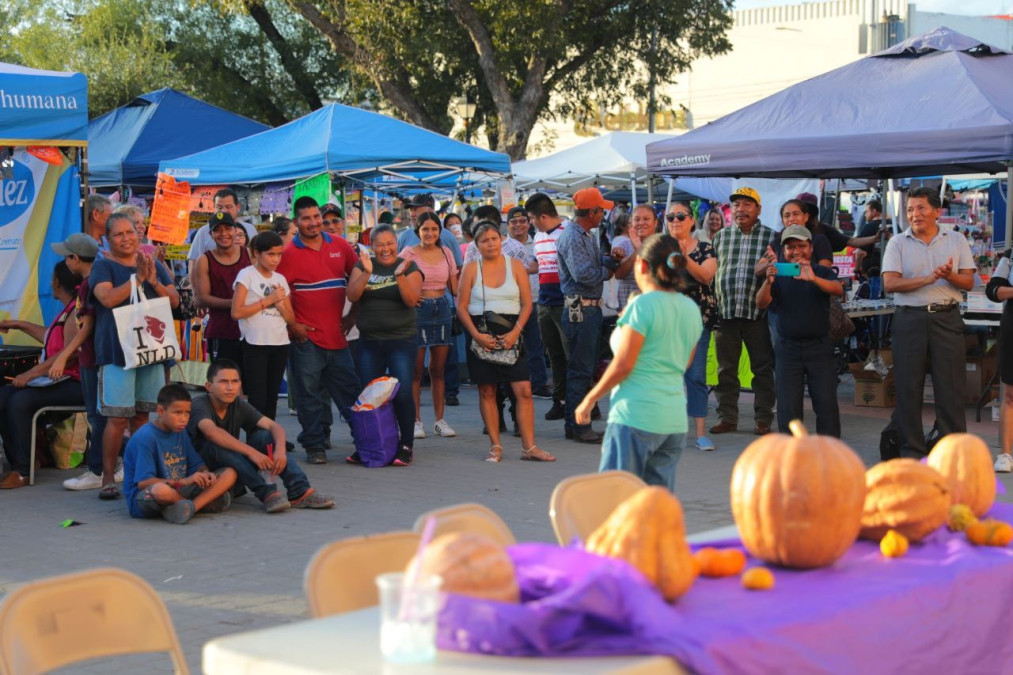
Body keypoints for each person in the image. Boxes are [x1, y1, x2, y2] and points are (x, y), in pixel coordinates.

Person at [575, 234, 701, 491]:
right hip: (674, 420)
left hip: (636, 416)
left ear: (642, 265)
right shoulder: (690, 308)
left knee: (618, 502)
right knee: (656, 508)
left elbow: (623, 365)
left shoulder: (642, 306)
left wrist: (590, 399)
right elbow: (684, 362)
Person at [91, 213, 179, 499]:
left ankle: (137, 474)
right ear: (108, 238)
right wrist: (137, 280)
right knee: (116, 418)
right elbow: (107, 298)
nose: (127, 238)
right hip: (117, 353)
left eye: (130, 232)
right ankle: (107, 477)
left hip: (150, 351)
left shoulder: (151, 261)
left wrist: (151, 281)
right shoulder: (103, 266)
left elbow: (175, 300)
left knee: (142, 416)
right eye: (119, 234)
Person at [882, 187, 974, 457]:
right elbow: (890, 283)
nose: (914, 214)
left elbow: (968, 281)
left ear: (937, 211)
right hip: (909, 319)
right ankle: (912, 450)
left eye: (921, 208)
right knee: (909, 387)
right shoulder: (897, 242)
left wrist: (949, 276)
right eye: (910, 209)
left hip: (947, 317)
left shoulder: (956, 240)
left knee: (951, 388)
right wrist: (928, 279)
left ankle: (953, 452)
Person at [457, 222, 554, 463]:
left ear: (501, 239)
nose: (490, 243)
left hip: (512, 332)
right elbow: (461, 306)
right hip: (481, 334)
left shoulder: (517, 267)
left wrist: (515, 332)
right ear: (477, 245)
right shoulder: (470, 269)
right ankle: (495, 446)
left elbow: (527, 303)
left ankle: (529, 447)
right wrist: (476, 336)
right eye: (484, 240)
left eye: (493, 238)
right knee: (487, 390)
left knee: (524, 390)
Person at [276, 196, 361, 464]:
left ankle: (364, 439)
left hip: (338, 335)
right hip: (306, 339)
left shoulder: (340, 245)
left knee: (350, 393)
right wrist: (293, 325)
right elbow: (280, 296)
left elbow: (360, 278)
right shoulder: (287, 255)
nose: (313, 223)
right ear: (296, 221)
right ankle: (314, 445)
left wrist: (352, 316)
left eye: (316, 217)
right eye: (306, 218)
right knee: (308, 395)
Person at [189, 360, 333, 512]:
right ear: (208, 386)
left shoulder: (238, 404)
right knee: (216, 445)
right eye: (224, 382)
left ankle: (300, 490)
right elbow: (212, 433)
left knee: (264, 436)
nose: (230, 387)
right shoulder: (200, 404)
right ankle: (266, 492)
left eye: (235, 381)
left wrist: (280, 450)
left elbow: (274, 426)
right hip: (206, 473)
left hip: (235, 467)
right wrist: (253, 453)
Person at [0, 262, 85, 489]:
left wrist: (31, 373)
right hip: (60, 379)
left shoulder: (75, 311)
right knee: (4, 396)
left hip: (77, 383)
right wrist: (17, 324)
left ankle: (23, 471)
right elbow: (48, 336)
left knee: (19, 401)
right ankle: (26, 459)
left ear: (57, 282)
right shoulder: (66, 311)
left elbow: (72, 355)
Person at [346, 224, 424, 466]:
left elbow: (412, 300)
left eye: (390, 243)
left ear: (396, 244)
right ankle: (372, 443)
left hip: (401, 340)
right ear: (372, 246)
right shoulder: (363, 265)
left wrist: (399, 276)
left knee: (400, 393)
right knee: (369, 395)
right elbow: (352, 295)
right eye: (380, 244)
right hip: (369, 341)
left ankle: (406, 445)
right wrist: (367, 272)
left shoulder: (409, 266)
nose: (385, 249)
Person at [756, 225, 843, 437]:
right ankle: (791, 455)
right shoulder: (779, 273)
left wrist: (813, 278)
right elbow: (761, 303)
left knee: (826, 404)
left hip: (820, 347)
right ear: (783, 251)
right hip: (788, 349)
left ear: (811, 248)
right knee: (788, 407)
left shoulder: (821, 271)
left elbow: (838, 289)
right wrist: (768, 282)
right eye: (790, 247)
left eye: (801, 246)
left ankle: (830, 454)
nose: (796, 251)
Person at [709, 187, 777, 436]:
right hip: (725, 312)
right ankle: (727, 417)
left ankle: (763, 419)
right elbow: (714, 272)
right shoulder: (721, 237)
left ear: (758, 209)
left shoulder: (771, 237)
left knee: (762, 368)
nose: (741, 209)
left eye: (747, 204)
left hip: (757, 314)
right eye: (737, 205)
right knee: (726, 369)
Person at [557, 187, 619, 444]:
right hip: (580, 307)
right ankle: (578, 425)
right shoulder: (574, 236)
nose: (602, 214)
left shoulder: (583, 234)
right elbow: (584, 274)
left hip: (584, 307)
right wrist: (607, 270)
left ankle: (577, 423)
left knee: (583, 368)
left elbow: (588, 266)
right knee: (580, 369)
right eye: (600, 210)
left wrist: (605, 260)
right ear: (591, 212)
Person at [123, 384, 236, 524]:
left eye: (187, 413)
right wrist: (184, 482)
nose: (183, 419)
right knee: (160, 490)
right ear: (160, 411)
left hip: (178, 489)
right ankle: (191, 505)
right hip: (147, 497)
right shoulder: (146, 437)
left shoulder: (180, 431)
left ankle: (186, 508)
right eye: (177, 413)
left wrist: (206, 474)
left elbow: (197, 464)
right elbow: (143, 483)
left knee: (229, 473)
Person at [46, 235, 107, 490]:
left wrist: (63, 355)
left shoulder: (89, 285)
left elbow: (86, 328)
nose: (66, 261)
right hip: (93, 356)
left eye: (67, 256)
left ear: (74, 259)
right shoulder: (95, 281)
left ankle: (98, 470)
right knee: (100, 415)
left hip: (92, 357)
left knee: (98, 415)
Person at [665, 201, 719, 451]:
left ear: (692, 220)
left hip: (697, 321)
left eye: (680, 216)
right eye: (670, 216)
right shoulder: (661, 249)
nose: (675, 220)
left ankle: (700, 433)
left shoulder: (706, 248)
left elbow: (706, 276)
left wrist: (684, 257)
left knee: (695, 376)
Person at [400, 212, 459, 438]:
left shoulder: (446, 252)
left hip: (442, 309)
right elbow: (397, 278)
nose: (430, 233)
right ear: (418, 231)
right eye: (425, 229)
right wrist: (411, 296)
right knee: (415, 371)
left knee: (438, 369)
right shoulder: (409, 253)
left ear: (439, 231)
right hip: (417, 311)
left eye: (434, 229)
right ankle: (416, 421)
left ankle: (439, 420)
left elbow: (454, 286)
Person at [232, 231, 294, 421]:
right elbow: (236, 312)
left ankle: (271, 439)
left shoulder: (280, 279)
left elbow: (291, 318)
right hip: (255, 343)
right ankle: (256, 441)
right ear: (257, 253)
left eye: (279, 254)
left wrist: (282, 306)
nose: (276, 259)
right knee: (257, 397)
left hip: (280, 342)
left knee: (272, 398)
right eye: (270, 254)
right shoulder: (246, 275)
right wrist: (268, 301)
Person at [526, 193, 570, 421]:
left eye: (532, 218)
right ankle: (560, 401)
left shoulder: (569, 232)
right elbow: (537, 264)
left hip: (565, 302)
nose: (530, 223)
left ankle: (583, 403)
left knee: (571, 355)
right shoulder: (539, 236)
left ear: (542, 216)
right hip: (545, 301)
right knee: (554, 356)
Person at [192, 211, 250, 367]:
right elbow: (202, 298)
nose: (223, 233)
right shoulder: (204, 260)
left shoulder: (250, 254)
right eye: (218, 230)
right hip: (222, 331)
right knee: (224, 380)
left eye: (227, 228)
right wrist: (236, 303)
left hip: (251, 331)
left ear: (235, 230)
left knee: (251, 384)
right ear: (211, 234)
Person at [506, 205, 551, 399]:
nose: (518, 225)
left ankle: (539, 384)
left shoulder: (539, 242)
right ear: (507, 225)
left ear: (528, 222)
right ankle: (509, 389)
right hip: (510, 302)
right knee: (509, 347)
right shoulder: (501, 246)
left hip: (535, 300)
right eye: (514, 222)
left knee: (535, 346)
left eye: (522, 221)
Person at [987, 251, 1013, 471]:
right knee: (1010, 394)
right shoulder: (1010, 257)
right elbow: (993, 290)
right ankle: (1005, 454)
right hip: (1011, 329)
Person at [187, 188, 258, 268]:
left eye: (228, 207)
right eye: (219, 207)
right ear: (214, 207)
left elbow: (257, 259)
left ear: (238, 207)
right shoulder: (203, 231)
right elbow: (193, 262)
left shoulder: (250, 229)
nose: (224, 211)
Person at [611, 205, 659, 312]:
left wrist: (639, 248)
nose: (641, 223)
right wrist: (638, 250)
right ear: (631, 223)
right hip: (629, 310)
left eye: (646, 219)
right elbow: (619, 275)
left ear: (655, 223)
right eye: (637, 219)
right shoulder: (623, 244)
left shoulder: (663, 245)